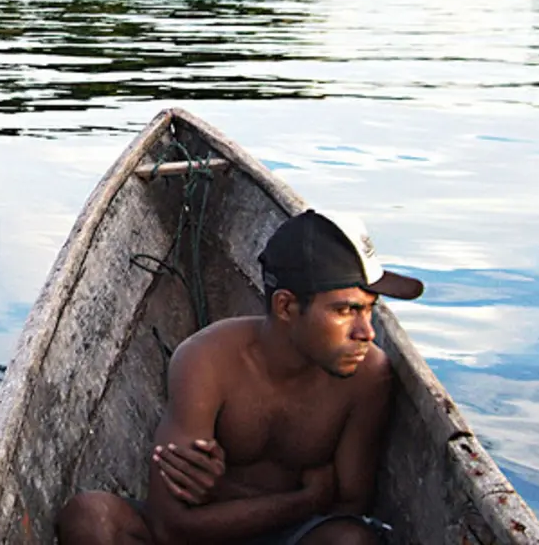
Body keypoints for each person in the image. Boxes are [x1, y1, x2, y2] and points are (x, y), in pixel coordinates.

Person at [56, 209, 424, 545]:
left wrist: (222, 493)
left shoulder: (368, 377)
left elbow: (349, 506)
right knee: (90, 518)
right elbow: (169, 526)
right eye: (346, 310)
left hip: (289, 538)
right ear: (286, 306)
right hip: (199, 537)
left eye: (369, 310)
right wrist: (305, 499)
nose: (366, 332)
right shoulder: (207, 361)